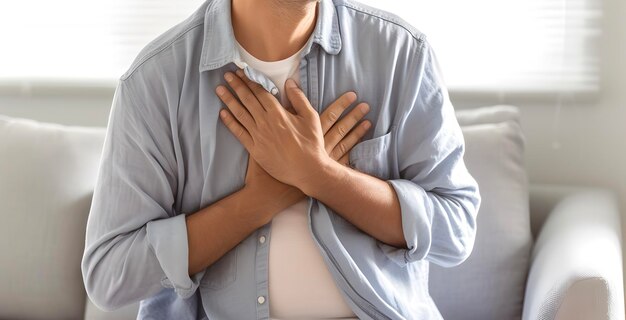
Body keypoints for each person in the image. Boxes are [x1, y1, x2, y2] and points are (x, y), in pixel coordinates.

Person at [81, 0, 482, 319]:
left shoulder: (401, 55)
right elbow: (109, 274)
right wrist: (260, 200)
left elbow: (456, 230)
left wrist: (321, 176)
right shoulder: (156, 82)